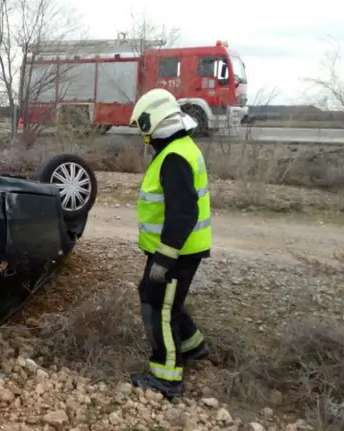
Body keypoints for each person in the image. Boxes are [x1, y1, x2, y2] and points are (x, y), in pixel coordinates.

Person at [128, 88, 211, 399]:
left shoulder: (174, 157)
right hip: (180, 249)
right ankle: (194, 347)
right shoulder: (180, 149)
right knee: (161, 298)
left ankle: (166, 376)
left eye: (143, 127)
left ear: (154, 123)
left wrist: (164, 258)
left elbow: (183, 212)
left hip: (176, 252)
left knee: (159, 305)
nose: (142, 135)